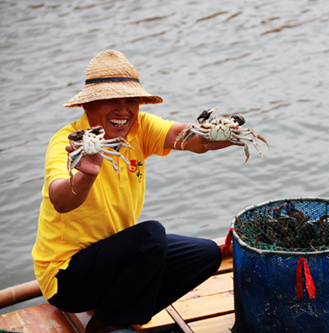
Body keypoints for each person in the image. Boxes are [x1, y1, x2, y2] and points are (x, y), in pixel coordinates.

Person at [32, 50, 238, 333]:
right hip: (66, 279)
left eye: (130, 101)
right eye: (111, 100)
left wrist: (216, 135)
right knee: (151, 234)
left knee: (205, 254)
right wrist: (85, 177)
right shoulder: (67, 143)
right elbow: (60, 199)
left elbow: (187, 137)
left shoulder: (139, 129)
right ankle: (106, 325)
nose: (123, 110)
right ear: (88, 106)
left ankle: (117, 314)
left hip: (111, 264)